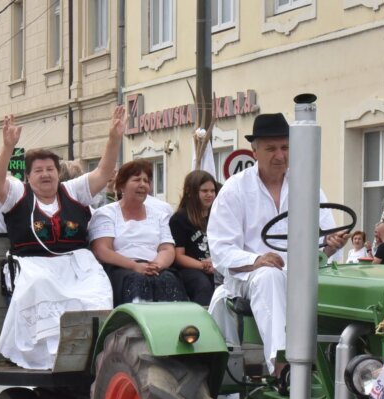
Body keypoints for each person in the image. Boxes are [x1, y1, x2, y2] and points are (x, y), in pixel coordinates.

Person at [207, 112, 347, 373]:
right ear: (255, 151)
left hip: (299, 275)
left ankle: (345, 365)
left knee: (339, 285)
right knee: (269, 277)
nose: (280, 155)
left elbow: (325, 239)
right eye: (271, 148)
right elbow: (221, 250)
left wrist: (331, 245)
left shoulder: (307, 186)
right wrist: (256, 260)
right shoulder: (234, 190)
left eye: (285, 147)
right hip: (247, 278)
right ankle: (283, 368)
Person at [0, 114, 116, 369]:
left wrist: (114, 137)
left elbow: (103, 172)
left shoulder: (73, 191)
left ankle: (93, 353)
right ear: (29, 176)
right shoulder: (17, 194)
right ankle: (50, 358)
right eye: (38, 171)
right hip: (33, 265)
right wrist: (7, 146)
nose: (45, 175)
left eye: (50, 169)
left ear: (58, 173)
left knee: (98, 291)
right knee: (40, 284)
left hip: (78, 266)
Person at [89, 160, 187, 305]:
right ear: (122, 185)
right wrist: (134, 266)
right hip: (121, 269)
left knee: (168, 280)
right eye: (136, 180)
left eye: (146, 181)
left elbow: (167, 249)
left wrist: (156, 265)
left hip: (154, 268)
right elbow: (102, 250)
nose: (142, 185)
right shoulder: (106, 213)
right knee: (137, 281)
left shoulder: (159, 215)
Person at [170, 170, 218, 306]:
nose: (210, 195)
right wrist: (203, 265)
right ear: (190, 192)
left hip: (217, 265)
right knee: (202, 284)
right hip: (190, 270)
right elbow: (178, 256)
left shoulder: (219, 216)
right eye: (204, 191)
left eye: (212, 190)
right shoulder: (179, 219)